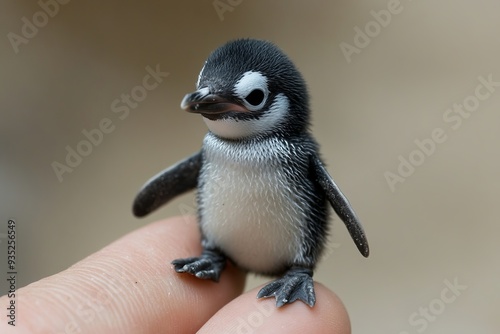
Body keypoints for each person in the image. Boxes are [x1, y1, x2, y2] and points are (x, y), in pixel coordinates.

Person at [0, 217, 350, 333]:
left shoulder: (293, 151)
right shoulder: (218, 149)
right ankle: (213, 254)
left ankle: (299, 269)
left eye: (251, 99)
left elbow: (323, 188)